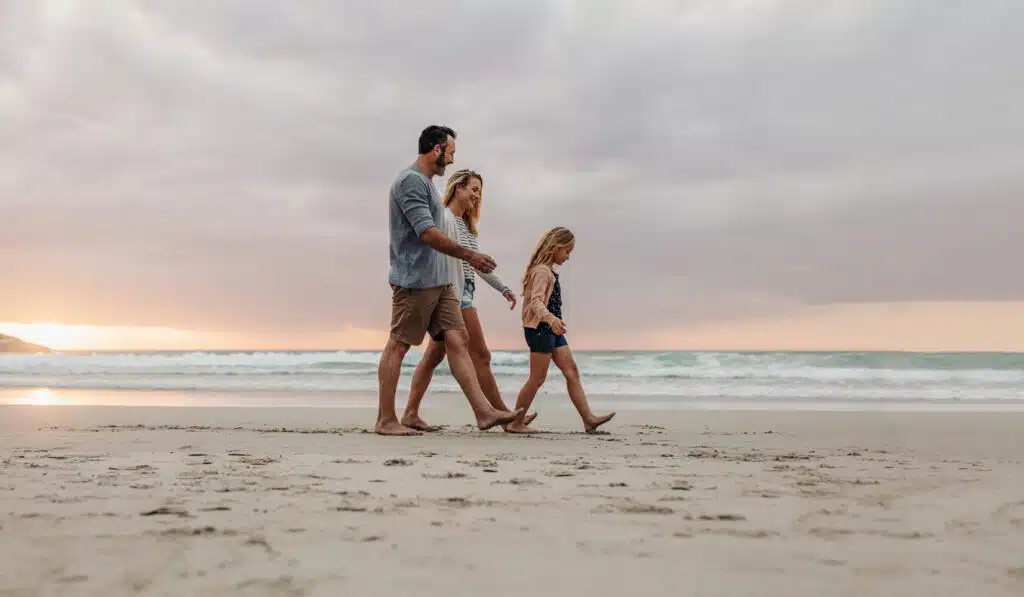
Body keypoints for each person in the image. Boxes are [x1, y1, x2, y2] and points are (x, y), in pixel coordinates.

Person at [376, 125, 522, 436]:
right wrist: (470, 256)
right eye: (450, 154)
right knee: (399, 345)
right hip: (415, 279)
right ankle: (386, 419)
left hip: (440, 282)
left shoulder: (427, 184)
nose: (451, 161)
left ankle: (483, 412)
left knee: (458, 341)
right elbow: (427, 233)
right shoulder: (410, 182)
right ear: (436, 149)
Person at [400, 169, 538, 432]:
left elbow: (476, 263)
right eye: (473, 189)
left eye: (479, 191)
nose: (477, 195)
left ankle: (410, 413)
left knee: (433, 355)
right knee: (481, 354)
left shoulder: (466, 226)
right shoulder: (443, 219)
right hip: (452, 293)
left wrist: (503, 288)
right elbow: (437, 253)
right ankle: (509, 418)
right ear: (458, 188)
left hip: (465, 289)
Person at [504, 227, 615, 434]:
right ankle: (515, 422)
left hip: (552, 329)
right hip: (540, 329)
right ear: (555, 247)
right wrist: (551, 319)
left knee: (572, 371)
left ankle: (588, 419)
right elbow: (536, 302)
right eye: (567, 251)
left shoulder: (549, 272)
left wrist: (554, 323)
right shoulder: (541, 272)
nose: (568, 256)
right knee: (537, 378)